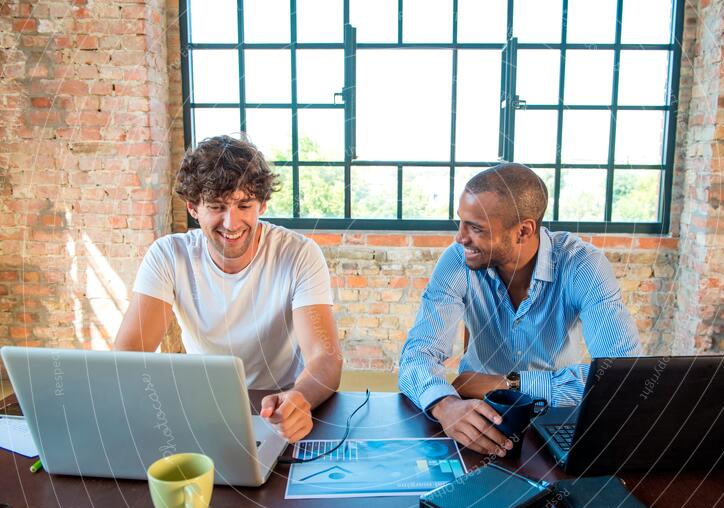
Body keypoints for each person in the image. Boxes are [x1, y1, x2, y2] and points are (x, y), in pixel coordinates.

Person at [398, 163, 641, 457]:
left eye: (476, 228)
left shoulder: (582, 266)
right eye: (461, 222)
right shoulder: (457, 261)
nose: (460, 238)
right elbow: (417, 355)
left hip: (557, 416)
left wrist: (509, 383)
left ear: (523, 231)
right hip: (475, 412)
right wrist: (444, 405)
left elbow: (621, 377)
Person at [115, 135, 342, 443]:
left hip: (280, 407)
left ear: (262, 204)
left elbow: (325, 358)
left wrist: (299, 398)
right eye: (217, 207)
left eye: (244, 205)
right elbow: (129, 356)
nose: (231, 222)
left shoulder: (299, 254)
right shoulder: (169, 256)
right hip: (202, 410)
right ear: (193, 208)